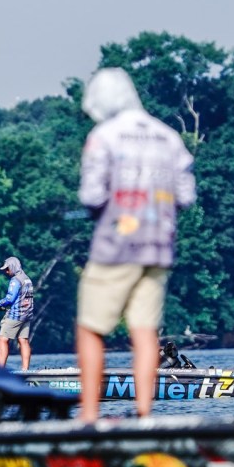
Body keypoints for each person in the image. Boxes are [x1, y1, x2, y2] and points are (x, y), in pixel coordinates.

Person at [75, 67, 197, 422]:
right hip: (158, 247)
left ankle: (89, 415)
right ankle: (144, 414)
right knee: (145, 331)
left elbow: (92, 195)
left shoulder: (104, 136)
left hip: (114, 246)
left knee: (91, 328)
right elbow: (186, 196)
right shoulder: (168, 137)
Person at [0, 256, 34, 370]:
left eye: (7, 269)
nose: (6, 272)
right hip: (27, 314)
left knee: (2, 339)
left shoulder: (15, 280)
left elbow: (10, 299)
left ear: (13, 267)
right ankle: (25, 370)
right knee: (23, 340)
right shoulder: (27, 279)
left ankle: (0, 370)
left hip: (16, 315)